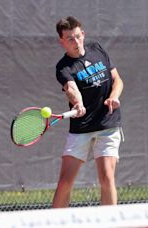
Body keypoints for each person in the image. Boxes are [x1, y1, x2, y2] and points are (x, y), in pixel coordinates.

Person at [52, 16, 124, 208]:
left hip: (107, 124)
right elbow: (71, 88)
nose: (76, 42)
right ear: (62, 42)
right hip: (81, 128)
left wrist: (114, 96)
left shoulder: (97, 49)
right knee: (65, 183)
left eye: (77, 36)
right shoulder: (63, 67)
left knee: (107, 177)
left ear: (82, 34)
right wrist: (78, 103)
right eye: (70, 39)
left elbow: (117, 80)